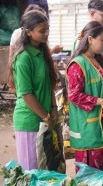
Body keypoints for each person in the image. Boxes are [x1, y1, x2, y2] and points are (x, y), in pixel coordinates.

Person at [66, 21, 103, 170]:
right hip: (88, 126)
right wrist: (100, 101)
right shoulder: (77, 65)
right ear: (90, 39)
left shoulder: (97, 60)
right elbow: (74, 95)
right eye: (102, 40)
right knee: (91, 171)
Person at [9, 10, 57, 170]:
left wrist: (53, 108)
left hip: (45, 119)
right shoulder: (23, 58)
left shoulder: (42, 53)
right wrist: (45, 116)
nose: (46, 34)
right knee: (32, 172)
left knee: (46, 170)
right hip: (29, 121)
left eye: (47, 29)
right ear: (29, 32)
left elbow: (49, 84)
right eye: (42, 31)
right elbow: (26, 94)